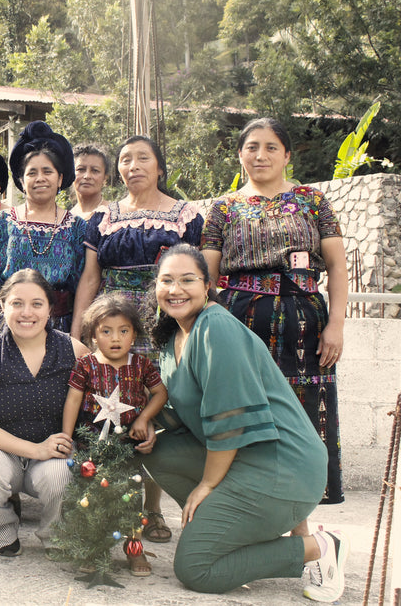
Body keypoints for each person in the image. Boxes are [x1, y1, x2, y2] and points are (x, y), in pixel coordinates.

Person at [144, 244, 347, 601]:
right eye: (166, 281)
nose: (175, 290)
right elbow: (185, 413)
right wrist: (143, 419)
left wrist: (207, 484)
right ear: (156, 287)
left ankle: (319, 548)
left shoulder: (216, 328)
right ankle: (239, 531)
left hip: (283, 465)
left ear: (208, 285)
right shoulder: (171, 336)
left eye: (187, 280)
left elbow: (230, 418)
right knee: (157, 451)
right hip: (243, 459)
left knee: (195, 568)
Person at [202, 118, 347, 517]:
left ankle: (304, 514)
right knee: (246, 410)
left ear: (286, 155)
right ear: (240, 155)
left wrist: (336, 324)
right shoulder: (224, 208)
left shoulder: (313, 201)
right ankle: (248, 508)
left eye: (270, 147)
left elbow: (336, 267)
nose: (260, 155)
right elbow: (207, 276)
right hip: (240, 321)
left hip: (305, 323)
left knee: (303, 412)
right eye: (252, 147)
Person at [71, 134, 203, 543]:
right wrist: (80, 328)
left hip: (162, 323)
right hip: (111, 326)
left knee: (155, 411)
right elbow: (91, 277)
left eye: (142, 158)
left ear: (159, 167)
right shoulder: (104, 216)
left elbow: (198, 277)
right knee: (105, 412)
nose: (133, 166)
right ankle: (105, 502)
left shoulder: (185, 215)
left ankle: (152, 509)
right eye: (125, 159)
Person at [0, 269, 90, 557]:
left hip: (51, 454)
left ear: (50, 309)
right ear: (2, 305)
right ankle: (1, 530)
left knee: (65, 475)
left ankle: (57, 534)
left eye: (37, 304)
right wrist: (34, 449)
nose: (26, 312)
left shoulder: (75, 351)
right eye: (17, 303)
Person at [61, 293, 167, 576]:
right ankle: (94, 548)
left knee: (130, 495)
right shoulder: (86, 365)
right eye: (106, 331)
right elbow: (73, 400)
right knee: (91, 495)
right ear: (94, 335)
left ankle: (134, 549)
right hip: (91, 442)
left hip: (127, 445)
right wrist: (66, 435)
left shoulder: (141, 365)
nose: (115, 338)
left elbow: (160, 393)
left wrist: (144, 418)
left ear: (134, 334)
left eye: (123, 331)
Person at [0, 121, 87, 344]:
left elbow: (84, 287)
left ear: (60, 178)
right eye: (32, 173)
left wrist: (76, 334)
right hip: (6, 328)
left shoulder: (77, 227)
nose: (40, 178)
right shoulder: (1, 222)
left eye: (47, 172)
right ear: (22, 181)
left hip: (57, 329)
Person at [69, 142, 111, 219]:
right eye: (81, 169)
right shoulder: (66, 219)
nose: (87, 176)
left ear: (105, 178)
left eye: (95, 170)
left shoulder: (114, 214)